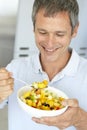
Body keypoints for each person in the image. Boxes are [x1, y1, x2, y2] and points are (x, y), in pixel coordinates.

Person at [0, 0, 87, 129]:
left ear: (74, 30)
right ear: (33, 28)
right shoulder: (15, 69)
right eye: (42, 32)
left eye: (59, 34)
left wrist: (80, 119)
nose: (50, 43)